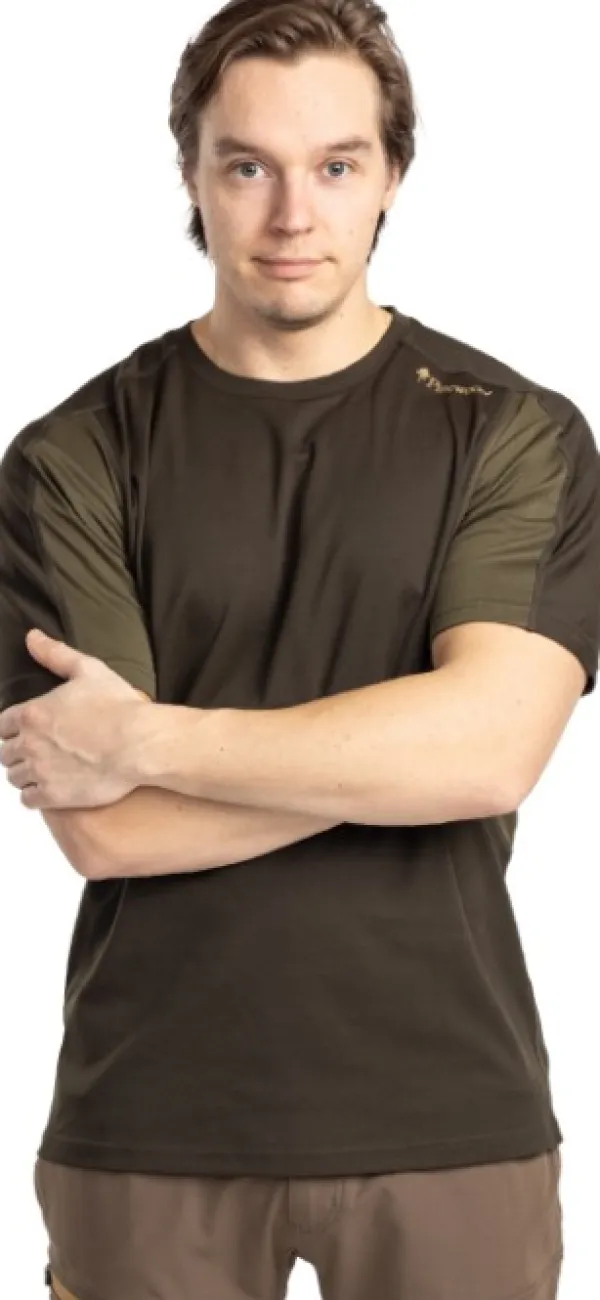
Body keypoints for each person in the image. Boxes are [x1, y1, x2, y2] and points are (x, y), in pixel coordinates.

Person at [1, 2, 598, 1297]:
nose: (292, 215)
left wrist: (149, 739)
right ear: (191, 175)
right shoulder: (72, 457)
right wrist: (405, 754)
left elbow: (491, 756)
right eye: (247, 166)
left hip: (451, 1114)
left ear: (393, 175)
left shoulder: (514, 432)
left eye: (335, 164)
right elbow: (109, 828)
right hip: (150, 1119)